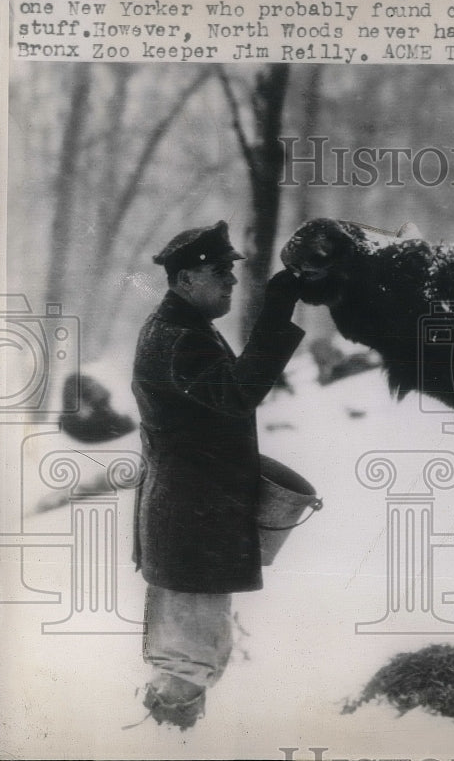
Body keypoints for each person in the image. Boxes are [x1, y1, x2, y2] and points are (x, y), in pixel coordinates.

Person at [131, 220, 304, 729]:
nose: (230, 280)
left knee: (188, 652)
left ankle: (171, 737)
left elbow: (211, 413)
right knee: (189, 657)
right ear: (185, 280)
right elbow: (235, 395)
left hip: (188, 520)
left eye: (231, 270)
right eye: (219, 271)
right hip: (192, 523)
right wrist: (276, 311)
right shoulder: (181, 340)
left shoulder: (180, 329)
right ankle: (171, 741)